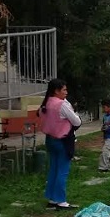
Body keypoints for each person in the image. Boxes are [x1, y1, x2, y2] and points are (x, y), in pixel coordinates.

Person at [38, 78, 81, 210]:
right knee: (62, 171)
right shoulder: (62, 104)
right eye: (64, 90)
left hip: (50, 139)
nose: (66, 92)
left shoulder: (46, 103)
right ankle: (61, 200)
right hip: (63, 140)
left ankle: (52, 199)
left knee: (54, 169)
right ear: (56, 91)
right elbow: (76, 121)